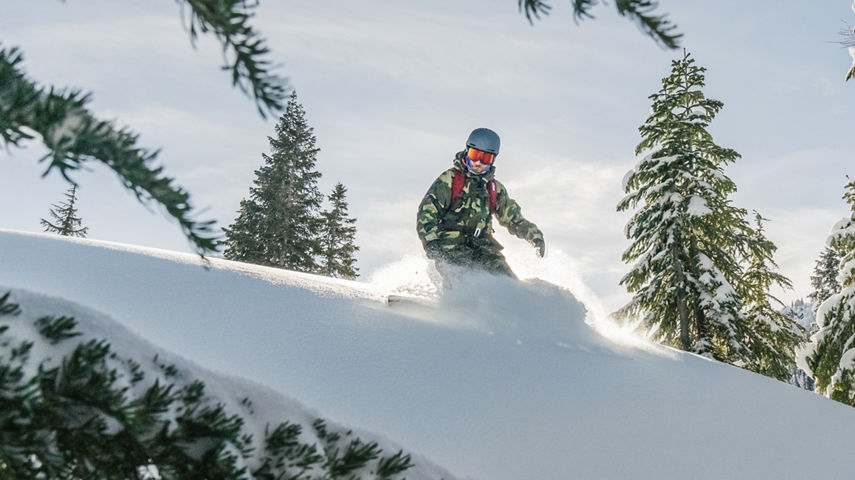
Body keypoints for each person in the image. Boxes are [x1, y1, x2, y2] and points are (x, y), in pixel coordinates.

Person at [416, 127, 545, 280]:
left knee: (504, 278)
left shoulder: (494, 188)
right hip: (450, 246)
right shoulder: (450, 180)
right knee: (462, 277)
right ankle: (455, 298)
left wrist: (535, 236)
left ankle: (513, 300)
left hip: (483, 247)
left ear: (493, 160)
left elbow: (513, 219)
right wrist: (431, 241)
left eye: (485, 159)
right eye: (475, 155)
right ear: (467, 151)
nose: (478, 162)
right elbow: (427, 211)